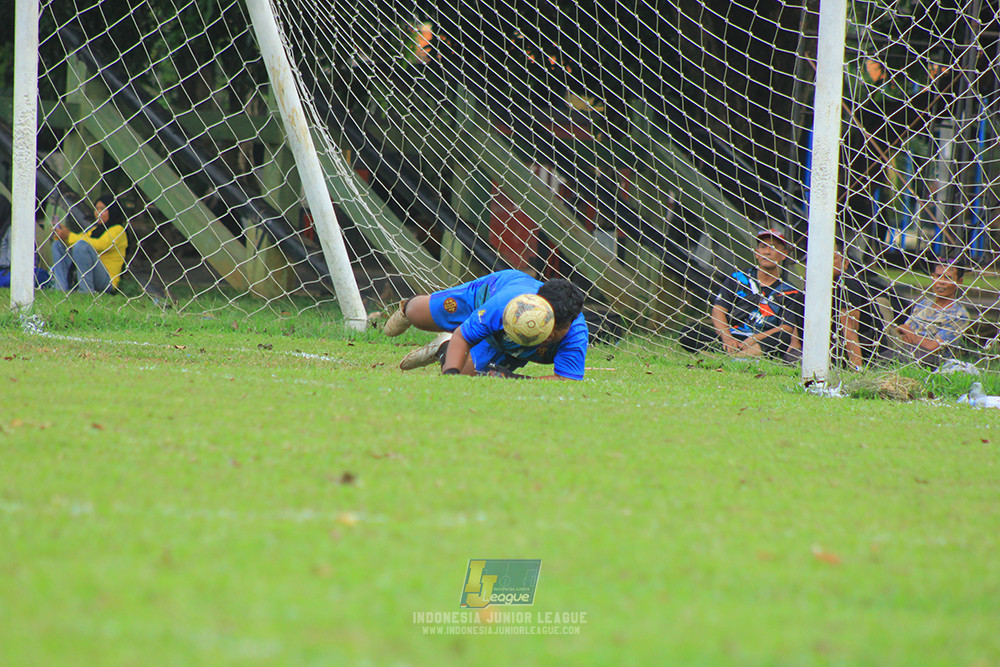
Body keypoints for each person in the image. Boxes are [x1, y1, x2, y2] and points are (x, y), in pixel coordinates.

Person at [383, 269, 588, 380]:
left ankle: (443, 348)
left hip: (504, 346)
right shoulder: (504, 304)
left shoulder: (576, 335)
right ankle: (408, 306)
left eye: (556, 330)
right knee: (417, 314)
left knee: (465, 376)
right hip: (484, 299)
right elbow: (464, 336)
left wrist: (515, 379)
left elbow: (565, 380)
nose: (547, 333)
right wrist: (449, 378)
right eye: (546, 323)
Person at [678, 229, 801, 359]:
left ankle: (730, 358)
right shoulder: (738, 278)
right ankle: (737, 355)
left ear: (784, 255)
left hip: (763, 340)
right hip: (734, 338)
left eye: (773, 247)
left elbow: (786, 328)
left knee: (783, 338)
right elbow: (718, 310)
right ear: (756, 253)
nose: (767, 252)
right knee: (689, 332)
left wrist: (754, 338)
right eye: (762, 247)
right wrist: (727, 338)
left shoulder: (790, 291)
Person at [892, 259, 970, 366]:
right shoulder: (924, 304)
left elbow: (932, 347)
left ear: (959, 282)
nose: (941, 282)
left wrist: (911, 335)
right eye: (938, 276)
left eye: (948, 278)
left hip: (932, 361)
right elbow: (902, 329)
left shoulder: (959, 315)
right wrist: (909, 334)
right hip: (906, 350)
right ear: (933, 277)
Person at [50, 194, 129, 293]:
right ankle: (61, 289)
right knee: (58, 245)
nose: (98, 213)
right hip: (93, 272)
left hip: (107, 280)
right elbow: (80, 239)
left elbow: (100, 245)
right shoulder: (94, 230)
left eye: (103, 209)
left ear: (112, 211)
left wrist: (69, 236)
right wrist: (62, 236)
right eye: (96, 209)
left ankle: (85, 291)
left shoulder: (118, 230)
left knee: (81, 246)